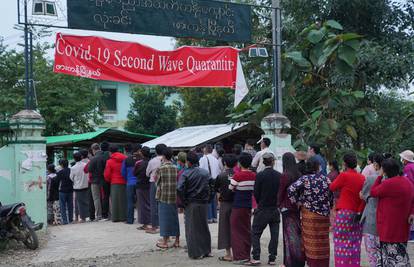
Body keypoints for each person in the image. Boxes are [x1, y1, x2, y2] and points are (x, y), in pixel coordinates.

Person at [288, 158, 333, 267]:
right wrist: (329, 205)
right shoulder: (325, 179)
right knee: (323, 240)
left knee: (310, 241)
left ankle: (312, 263)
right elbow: (331, 193)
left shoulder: (305, 179)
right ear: (317, 167)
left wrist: (297, 202)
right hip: (324, 216)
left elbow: (291, 189)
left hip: (309, 215)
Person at [371, 158, 414, 266]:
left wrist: (380, 176)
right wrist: (412, 212)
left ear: (385, 171)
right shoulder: (407, 182)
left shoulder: (388, 184)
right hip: (402, 227)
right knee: (401, 256)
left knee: (390, 259)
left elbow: (373, 192)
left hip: (389, 228)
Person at [329, 153, 365, 267]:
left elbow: (332, 187)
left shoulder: (344, 175)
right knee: (354, 243)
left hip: (344, 213)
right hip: (357, 213)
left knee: (341, 243)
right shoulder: (362, 177)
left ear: (344, 163)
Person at [246, 153, 280, 266]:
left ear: (263, 162)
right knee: (274, 234)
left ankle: (256, 257)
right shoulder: (278, 175)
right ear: (273, 161)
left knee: (255, 233)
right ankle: (272, 258)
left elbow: (256, 193)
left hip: (263, 208)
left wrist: (260, 202)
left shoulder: (260, 175)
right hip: (275, 209)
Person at [177, 151, 212, 259]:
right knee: (203, 227)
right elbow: (211, 187)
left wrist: (184, 201)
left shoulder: (186, 173)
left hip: (191, 202)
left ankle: (196, 253)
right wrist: (208, 199)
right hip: (203, 203)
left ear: (189, 162)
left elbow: (179, 188)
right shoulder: (205, 172)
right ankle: (206, 250)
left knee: (192, 228)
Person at [278, 152, 305, 267]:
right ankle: (299, 260)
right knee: (297, 234)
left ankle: (289, 262)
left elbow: (281, 192)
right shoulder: (298, 174)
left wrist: (278, 204)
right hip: (296, 207)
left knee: (288, 236)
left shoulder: (285, 175)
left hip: (286, 207)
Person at [229, 152, 256, 264]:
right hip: (248, 206)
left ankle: (240, 256)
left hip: (238, 205)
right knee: (246, 229)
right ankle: (247, 254)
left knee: (236, 231)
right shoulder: (254, 175)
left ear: (240, 163)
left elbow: (231, 188)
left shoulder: (237, 176)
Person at [360, 153, 383, 267]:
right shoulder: (391, 180)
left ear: (375, 164)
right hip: (386, 220)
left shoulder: (371, 179)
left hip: (371, 218)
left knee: (372, 252)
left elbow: (363, 195)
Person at [155, 147, 180, 249]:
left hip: (164, 196)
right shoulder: (176, 168)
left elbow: (157, 183)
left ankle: (165, 242)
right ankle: (177, 241)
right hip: (174, 196)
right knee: (175, 218)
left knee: (164, 219)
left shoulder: (161, 168)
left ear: (163, 156)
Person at [215, 154, 236, 262]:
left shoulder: (221, 176)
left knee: (225, 228)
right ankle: (238, 252)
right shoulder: (238, 174)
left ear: (224, 163)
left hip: (225, 204)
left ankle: (228, 254)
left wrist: (219, 201)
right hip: (237, 204)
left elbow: (217, 190)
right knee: (237, 228)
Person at [146, 143, 166, 233]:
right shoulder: (168, 160)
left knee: (154, 204)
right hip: (165, 183)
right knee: (163, 204)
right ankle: (163, 224)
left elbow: (147, 173)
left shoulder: (152, 161)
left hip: (154, 183)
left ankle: (155, 226)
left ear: (156, 151)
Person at [104, 144, 127, 222]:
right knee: (123, 199)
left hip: (114, 181)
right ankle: (124, 216)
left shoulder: (109, 161)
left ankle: (116, 217)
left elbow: (107, 174)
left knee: (115, 200)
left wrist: (109, 180)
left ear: (110, 152)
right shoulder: (125, 158)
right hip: (124, 181)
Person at [199, 144, 221, 223]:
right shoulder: (215, 159)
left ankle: (209, 217)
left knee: (207, 199)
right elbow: (218, 171)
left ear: (205, 150)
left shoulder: (203, 159)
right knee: (213, 198)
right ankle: (214, 217)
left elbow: (200, 170)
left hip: (207, 180)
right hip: (215, 180)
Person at [122, 144, 141, 224]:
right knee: (141, 202)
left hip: (130, 183)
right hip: (140, 183)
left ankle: (130, 220)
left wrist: (128, 179)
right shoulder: (142, 159)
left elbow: (123, 173)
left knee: (130, 202)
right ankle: (142, 220)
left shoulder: (126, 160)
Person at [88, 143, 107, 221]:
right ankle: (106, 214)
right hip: (104, 180)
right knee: (105, 197)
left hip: (95, 181)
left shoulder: (93, 159)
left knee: (96, 198)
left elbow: (89, 169)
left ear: (93, 150)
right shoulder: (105, 157)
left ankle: (98, 215)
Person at [134, 146, 151, 230]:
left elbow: (135, 173)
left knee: (142, 205)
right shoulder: (151, 162)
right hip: (150, 185)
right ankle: (152, 221)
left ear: (142, 153)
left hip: (141, 185)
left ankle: (145, 224)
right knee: (149, 203)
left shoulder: (139, 163)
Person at [70, 152, 90, 222]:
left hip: (78, 187)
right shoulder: (85, 165)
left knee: (79, 203)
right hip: (86, 185)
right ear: (81, 157)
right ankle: (88, 216)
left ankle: (82, 218)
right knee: (87, 201)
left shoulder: (73, 168)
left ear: (74, 159)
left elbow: (71, 178)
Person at [56, 159, 73, 225]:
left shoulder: (60, 172)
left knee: (62, 206)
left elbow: (57, 181)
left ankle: (65, 221)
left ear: (61, 165)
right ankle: (71, 219)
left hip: (62, 190)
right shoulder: (71, 170)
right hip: (70, 190)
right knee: (70, 205)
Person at [81, 149, 95, 222]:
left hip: (81, 185)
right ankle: (92, 216)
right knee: (91, 200)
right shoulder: (90, 161)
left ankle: (84, 217)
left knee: (82, 201)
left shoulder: (81, 163)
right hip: (90, 182)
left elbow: (85, 170)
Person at [327, 160, 340, 228]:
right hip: (338, 196)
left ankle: (333, 225)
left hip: (332, 196)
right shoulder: (338, 173)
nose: (328, 166)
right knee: (336, 212)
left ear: (332, 166)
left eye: (329, 165)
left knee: (332, 212)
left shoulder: (331, 174)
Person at [100, 141, 111, 220]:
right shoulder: (111, 155)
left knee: (105, 197)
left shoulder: (101, 156)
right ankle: (113, 212)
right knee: (113, 196)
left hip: (103, 178)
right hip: (113, 178)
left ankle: (105, 214)